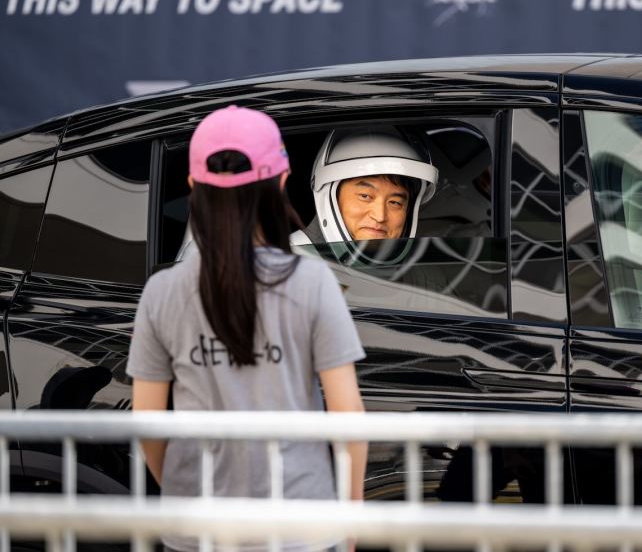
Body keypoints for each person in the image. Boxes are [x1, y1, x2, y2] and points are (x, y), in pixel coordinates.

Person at [126, 105, 367, 552]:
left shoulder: (162, 292)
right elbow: (348, 416)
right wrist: (349, 523)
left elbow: (148, 423)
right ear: (280, 183)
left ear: (194, 186)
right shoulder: (313, 282)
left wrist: (184, 493)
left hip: (198, 529)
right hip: (301, 527)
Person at [290, 128, 438, 247]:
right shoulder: (280, 266)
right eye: (365, 196)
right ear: (330, 197)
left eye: (395, 202)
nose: (380, 217)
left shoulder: (424, 275)